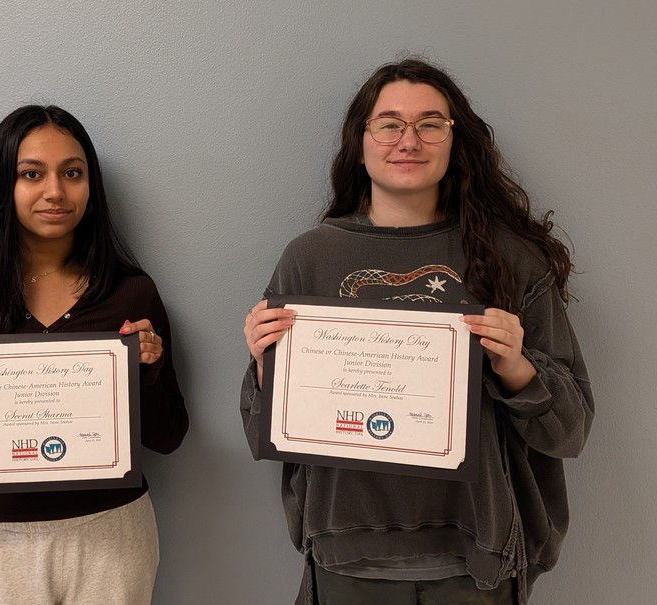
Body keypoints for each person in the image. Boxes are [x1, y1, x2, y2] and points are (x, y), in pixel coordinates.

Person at [241, 59, 593, 605]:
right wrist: (268, 367)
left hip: (477, 556)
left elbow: (570, 431)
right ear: (360, 142)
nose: (409, 139)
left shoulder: (511, 259)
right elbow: (268, 434)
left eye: (430, 124)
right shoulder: (309, 258)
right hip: (346, 553)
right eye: (389, 124)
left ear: (456, 141)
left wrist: (517, 367)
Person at [0, 105, 188, 605]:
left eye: (72, 173)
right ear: (2, 186)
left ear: (90, 186)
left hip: (113, 532)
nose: (55, 191)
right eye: (31, 174)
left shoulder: (132, 295)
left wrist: (150, 369)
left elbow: (170, 437)